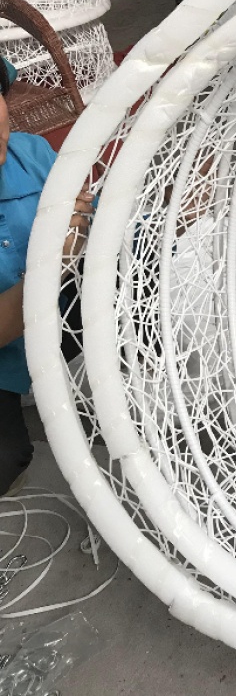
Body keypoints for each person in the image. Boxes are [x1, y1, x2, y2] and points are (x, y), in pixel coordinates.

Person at [0, 57, 93, 497]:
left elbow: (93, 221)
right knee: (5, 460)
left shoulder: (32, 153)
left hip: (62, 315)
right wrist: (56, 260)